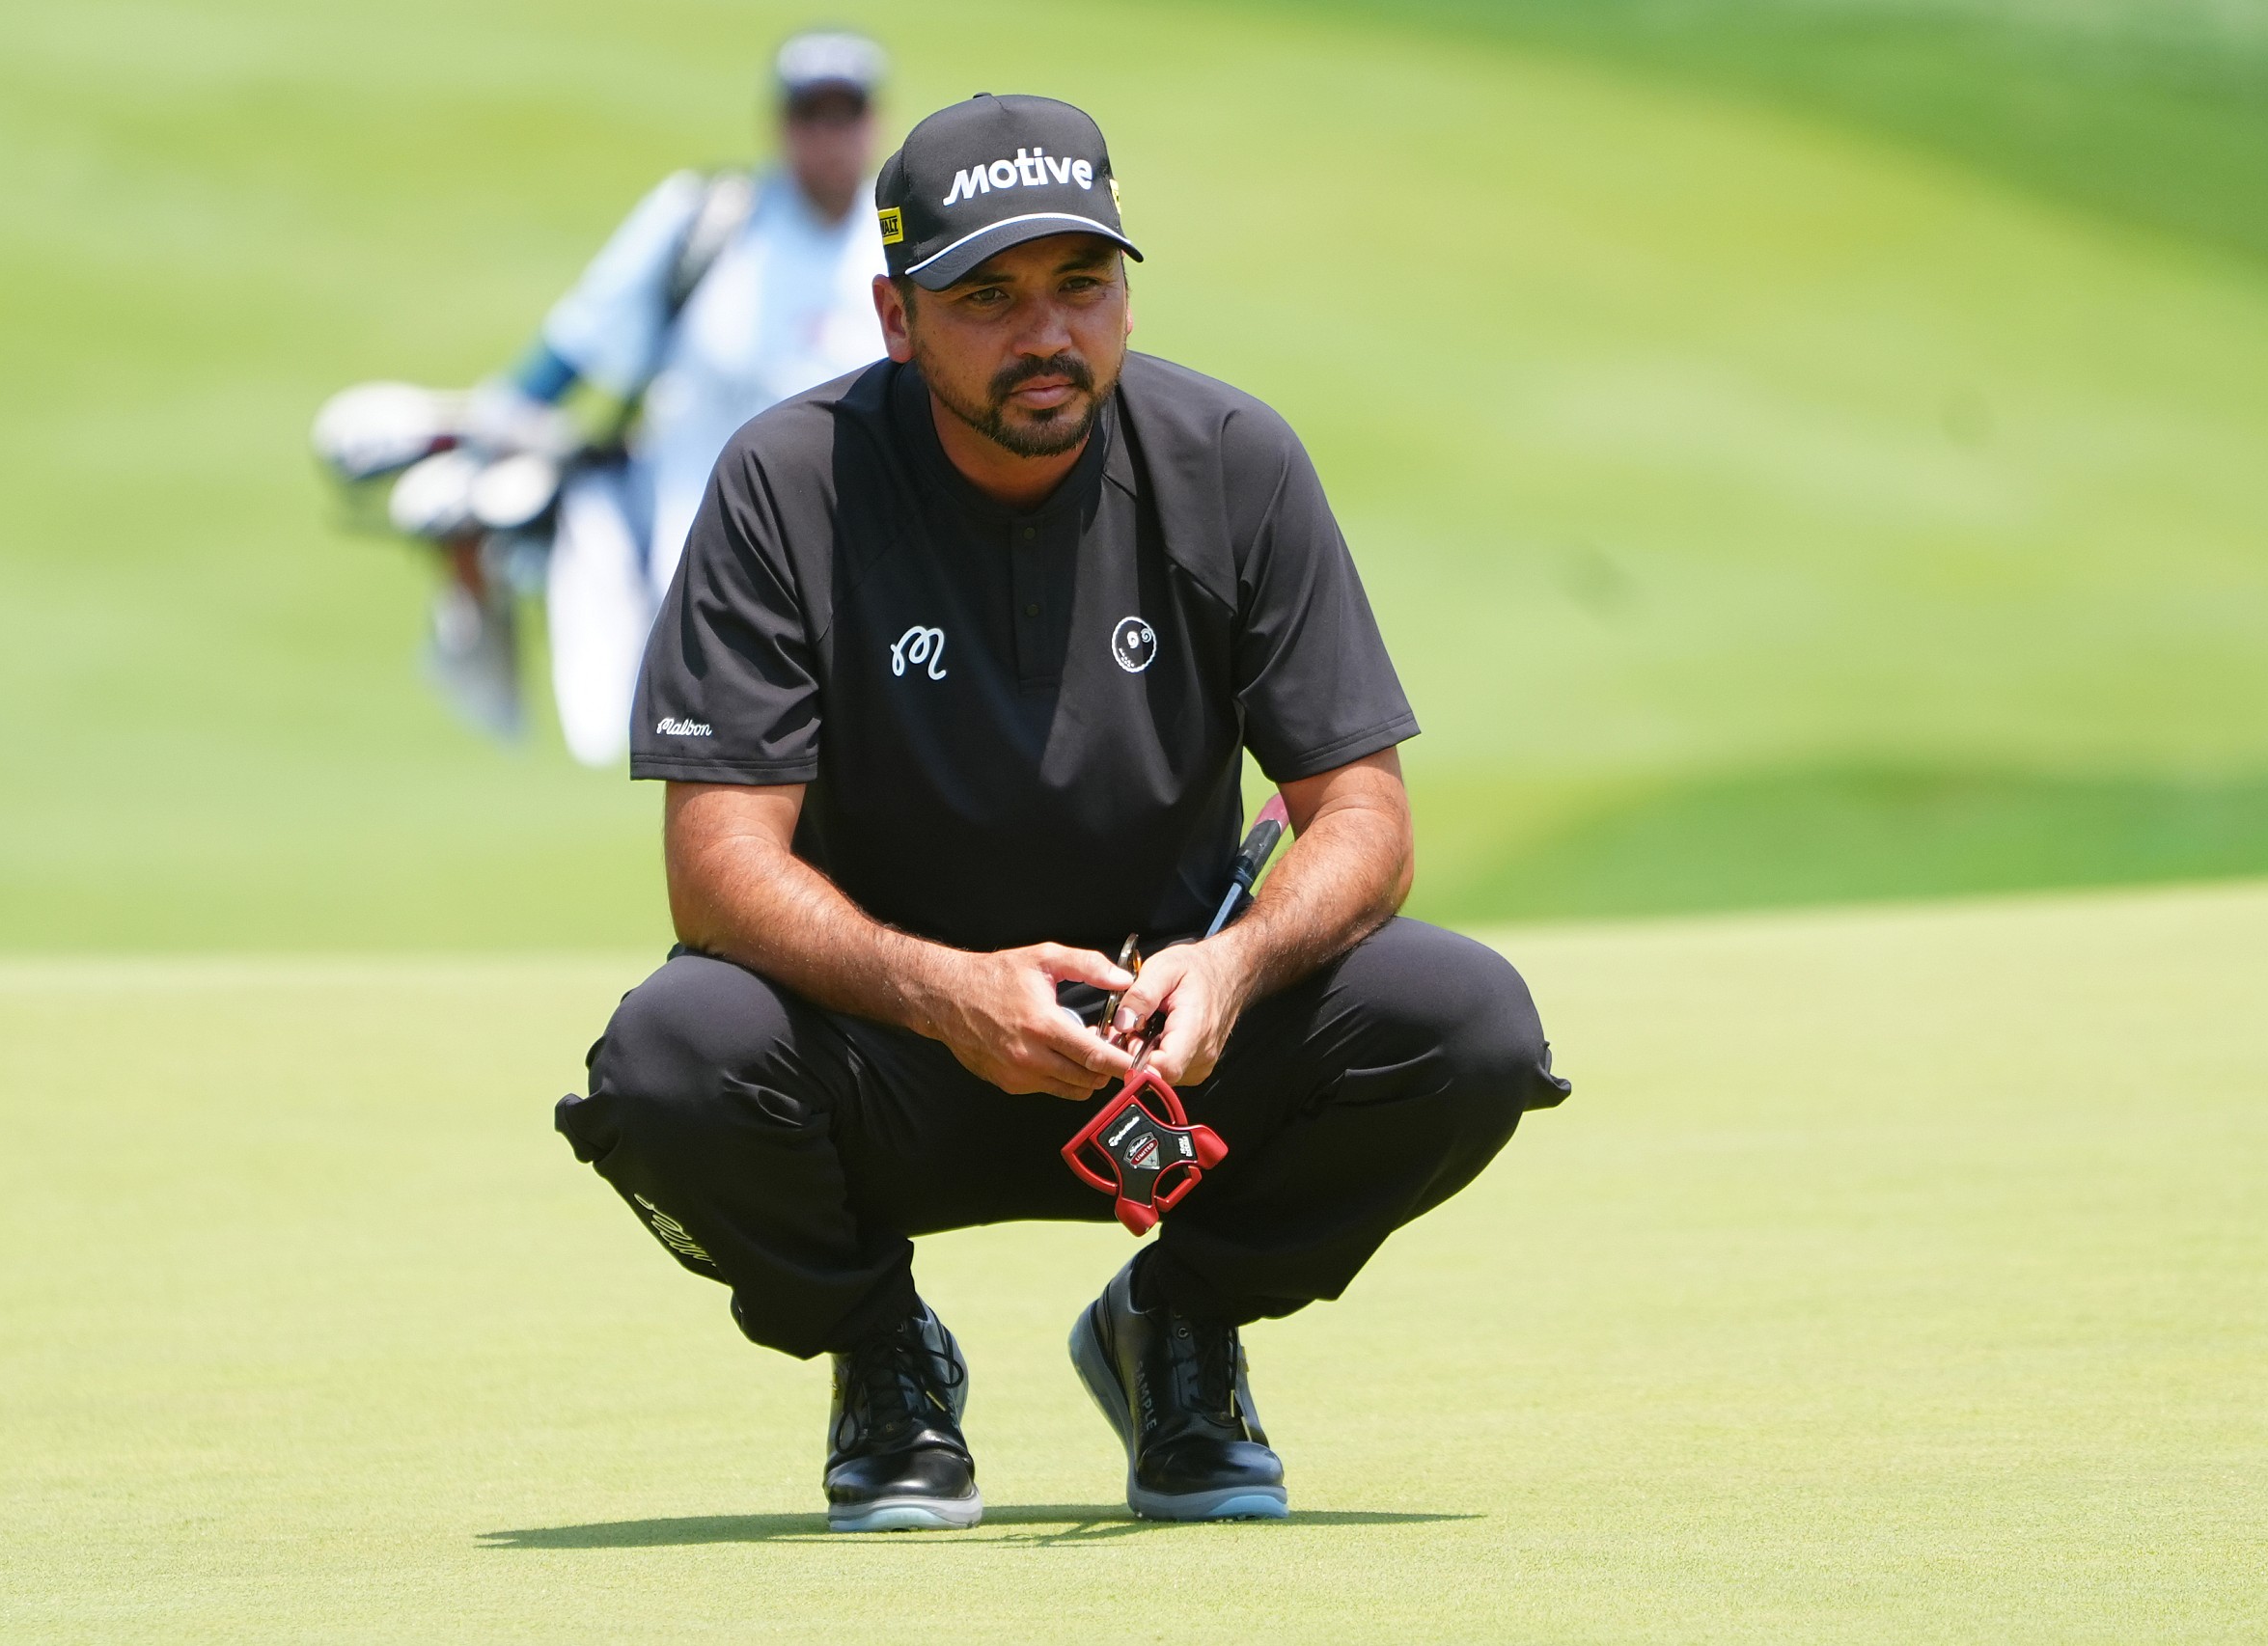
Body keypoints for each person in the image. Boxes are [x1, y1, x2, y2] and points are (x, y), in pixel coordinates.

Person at [553, 94, 1571, 1532]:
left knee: (1468, 1025)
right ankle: (881, 1346)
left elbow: (1361, 815)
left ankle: (1180, 1322)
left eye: (1082, 285)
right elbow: (717, 870)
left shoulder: (1231, 458)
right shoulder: (789, 483)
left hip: (1171, 1057)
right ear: (897, 316)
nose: (1049, 334)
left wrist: (1234, 963)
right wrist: (948, 993)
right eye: (989, 296)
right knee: (667, 1061)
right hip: (889, 1050)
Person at [416, 31, 892, 762]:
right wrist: (465, 436)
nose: (827, 137)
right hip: (695, 590)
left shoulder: (906, 249)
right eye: (809, 114)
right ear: (780, 122)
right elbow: (576, 350)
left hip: (862, 599)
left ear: (874, 120)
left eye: (846, 113)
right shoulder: (707, 223)